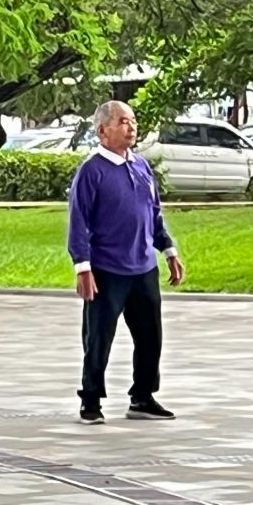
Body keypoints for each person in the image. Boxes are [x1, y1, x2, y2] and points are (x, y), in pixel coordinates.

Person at [70, 100, 182, 424]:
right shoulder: (91, 172)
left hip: (144, 266)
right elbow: (79, 222)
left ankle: (143, 397)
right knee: (98, 339)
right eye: (122, 121)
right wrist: (83, 267)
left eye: (132, 121)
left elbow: (154, 213)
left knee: (151, 337)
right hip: (107, 269)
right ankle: (90, 401)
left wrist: (168, 250)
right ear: (102, 131)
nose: (130, 127)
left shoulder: (142, 166)